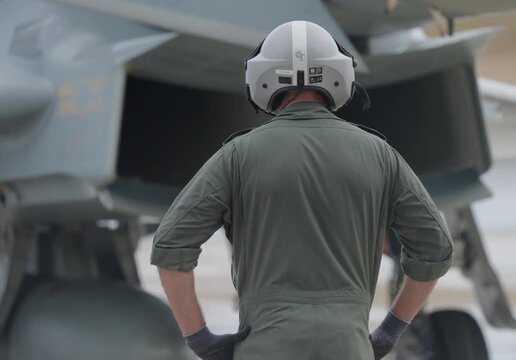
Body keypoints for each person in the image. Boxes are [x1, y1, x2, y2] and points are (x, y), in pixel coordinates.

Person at [150, 20, 453, 360]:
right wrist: (390, 330)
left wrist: (199, 338)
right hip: (349, 348)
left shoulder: (237, 157)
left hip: (264, 348)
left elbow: (170, 245)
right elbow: (435, 250)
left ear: (261, 77)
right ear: (339, 75)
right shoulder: (380, 156)